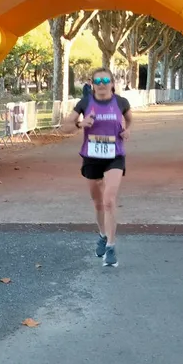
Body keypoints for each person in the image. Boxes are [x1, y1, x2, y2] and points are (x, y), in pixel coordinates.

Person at [62, 67, 132, 268]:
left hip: (114, 156)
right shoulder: (85, 103)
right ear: (92, 84)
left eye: (105, 80)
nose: (102, 84)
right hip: (92, 156)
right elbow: (64, 127)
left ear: (112, 83)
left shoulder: (121, 102)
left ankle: (111, 247)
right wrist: (80, 124)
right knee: (98, 203)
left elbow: (129, 119)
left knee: (109, 200)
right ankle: (102, 234)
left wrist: (127, 130)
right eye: (98, 81)